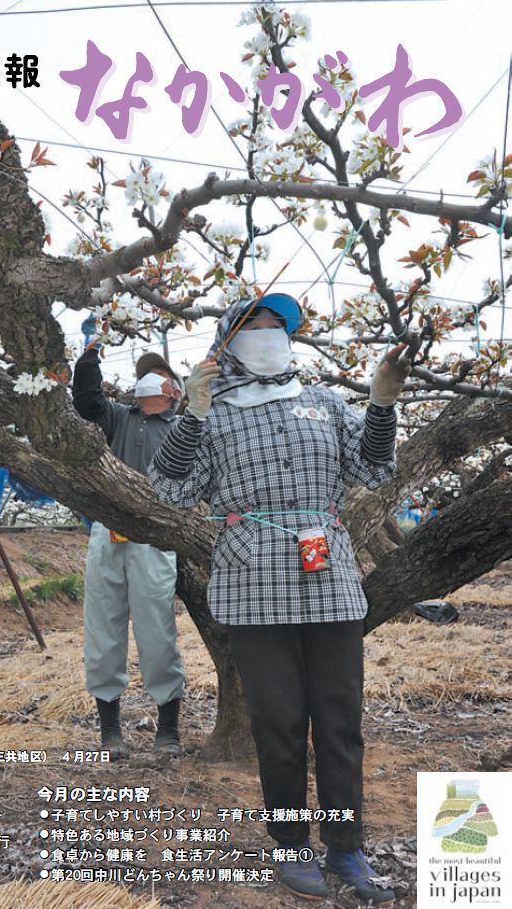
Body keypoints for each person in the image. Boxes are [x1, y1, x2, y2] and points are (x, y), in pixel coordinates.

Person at [148, 293, 411, 903]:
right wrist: (190, 413)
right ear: (226, 341)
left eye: (277, 326)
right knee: (279, 721)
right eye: (253, 326)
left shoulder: (323, 403)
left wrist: (382, 402)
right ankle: (291, 845)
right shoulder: (211, 414)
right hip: (252, 582)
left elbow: (372, 470)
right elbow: (168, 490)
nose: (268, 334)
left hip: (330, 580)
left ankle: (346, 847)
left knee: (341, 722)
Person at [72, 345, 186, 758]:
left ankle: (168, 728)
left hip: (154, 537)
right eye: (145, 374)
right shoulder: (120, 417)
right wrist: (88, 360)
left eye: (157, 374)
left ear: (174, 390)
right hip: (108, 531)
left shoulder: (181, 429)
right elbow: (87, 403)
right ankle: (110, 731)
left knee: (157, 630)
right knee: (103, 628)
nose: (148, 379)